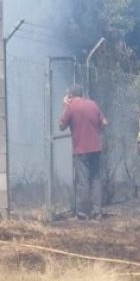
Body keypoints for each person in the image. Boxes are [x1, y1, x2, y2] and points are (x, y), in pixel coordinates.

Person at [58, 83, 108, 220]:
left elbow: (61, 126)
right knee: (96, 179)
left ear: (70, 96)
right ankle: (97, 212)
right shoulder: (92, 104)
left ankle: (82, 213)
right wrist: (95, 131)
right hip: (96, 148)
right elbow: (104, 122)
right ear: (82, 94)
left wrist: (65, 107)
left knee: (83, 181)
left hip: (81, 149)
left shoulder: (71, 107)